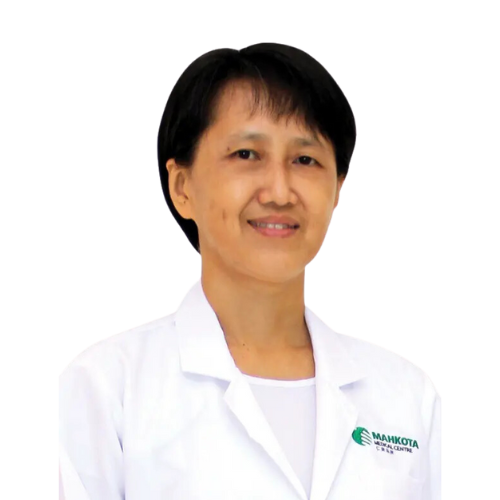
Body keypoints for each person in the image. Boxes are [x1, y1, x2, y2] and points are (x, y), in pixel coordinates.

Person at [58, 43, 442, 499]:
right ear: (182, 187)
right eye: (246, 154)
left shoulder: (407, 395)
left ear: (337, 191)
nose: (279, 191)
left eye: (305, 160)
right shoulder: (106, 388)